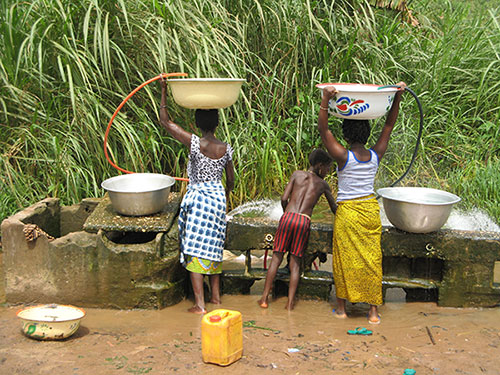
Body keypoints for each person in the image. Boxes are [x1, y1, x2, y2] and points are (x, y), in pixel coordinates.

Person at [318, 82, 406, 324]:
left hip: (348, 212)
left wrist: (326, 99)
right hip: (369, 211)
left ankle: (342, 309)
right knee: (371, 260)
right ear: (367, 135)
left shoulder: (343, 156)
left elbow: (324, 131)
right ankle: (373, 312)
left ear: (345, 135)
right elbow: (389, 125)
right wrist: (396, 97)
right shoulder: (376, 153)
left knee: (345, 259)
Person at [159, 78, 235, 314]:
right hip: (217, 197)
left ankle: (200, 305)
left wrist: (163, 90)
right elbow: (231, 180)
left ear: (197, 123)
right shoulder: (226, 148)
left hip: (200, 198)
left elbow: (165, 122)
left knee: (194, 247)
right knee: (213, 246)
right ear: (217, 124)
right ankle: (216, 299)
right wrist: (224, 194)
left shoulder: (195, 143)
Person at [258, 149, 337, 310]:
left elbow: (283, 198)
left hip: (288, 217)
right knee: (295, 264)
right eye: (328, 168)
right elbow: (334, 208)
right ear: (320, 166)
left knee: (276, 258)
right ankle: (289, 303)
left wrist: (287, 212)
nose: (328, 172)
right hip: (303, 221)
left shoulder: (296, 175)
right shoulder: (323, 184)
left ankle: (264, 299)